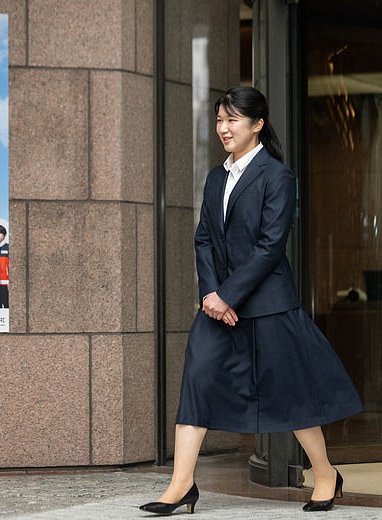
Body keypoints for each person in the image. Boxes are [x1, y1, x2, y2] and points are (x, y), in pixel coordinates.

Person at [139, 87, 362, 516]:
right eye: (220, 120)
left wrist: (228, 294)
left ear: (257, 124)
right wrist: (210, 294)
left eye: (232, 120)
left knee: (293, 393)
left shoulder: (278, 176)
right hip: (216, 308)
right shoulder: (215, 177)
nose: (223, 128)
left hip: (268, 304)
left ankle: (326, 474)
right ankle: (181, 484)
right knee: (197, 383)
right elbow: (203, 238)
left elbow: (270, 246)